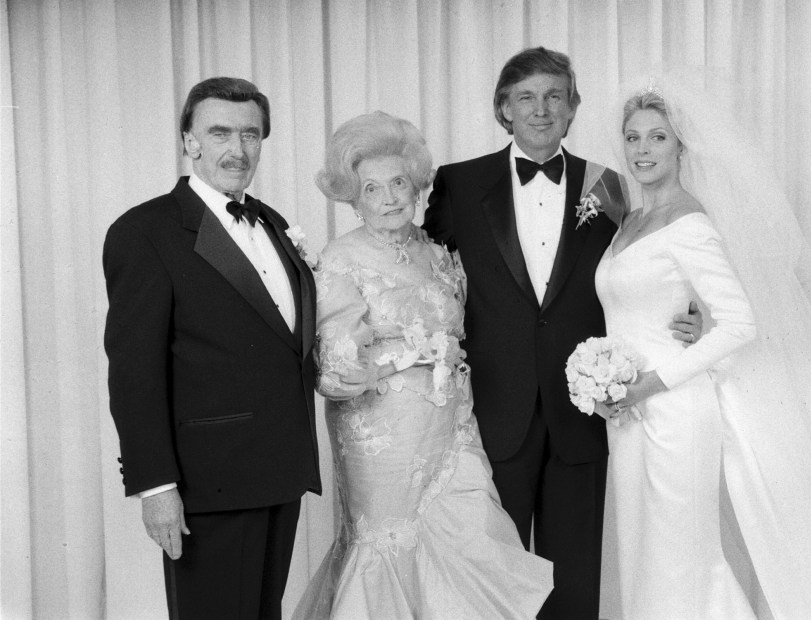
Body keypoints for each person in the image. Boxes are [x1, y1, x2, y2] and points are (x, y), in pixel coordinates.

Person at [595, 75, 811, 618]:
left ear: (682, 145)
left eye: (658, 137)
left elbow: (740, 324)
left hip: (673, 408)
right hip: (626, 414)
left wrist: (647, 384)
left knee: (681, 557)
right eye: (634, 137)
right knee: (640, 551)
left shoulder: (690, 221)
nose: (643, 150)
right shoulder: (632, 221)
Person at [423, 47, 702, 619]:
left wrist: (693, 308)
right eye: (526, 98)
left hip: (587, 410)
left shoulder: (612, 188)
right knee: (492, 575)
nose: (542, 109)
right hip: (493, 411)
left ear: (574, 108)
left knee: (574, 578)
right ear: (504, 110)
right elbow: (425, 276)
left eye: (555, 96)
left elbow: (650, 264)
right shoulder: (457, 183)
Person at [293, 111, 553, 619]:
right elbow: (333, 368)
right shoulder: (342, 259)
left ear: (416, 185)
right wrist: (406, 357)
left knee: (473, 532)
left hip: (451, 427)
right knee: (391, 546)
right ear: (353, 195)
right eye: (372, 188)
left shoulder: (437, 253)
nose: (389, 198)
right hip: (382, 434)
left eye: (398, 183)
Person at [103, 77, 322, 619]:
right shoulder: (145, 231)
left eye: (250, 134)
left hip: (279, 472)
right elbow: (134, 373)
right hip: (208, 482)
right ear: (189, 140)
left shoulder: (270, 220)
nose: (237, 149)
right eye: (220, 132)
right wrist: (155, 486)